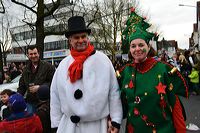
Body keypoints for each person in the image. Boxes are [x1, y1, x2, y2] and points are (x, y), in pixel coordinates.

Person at [118, 8, 188, 133]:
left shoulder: (163, 69)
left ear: (148, 46)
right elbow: (115, 103)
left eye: (141, 45)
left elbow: (175, 106)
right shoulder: (124, 73)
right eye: (133, 46)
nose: (137, 49)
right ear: (129, 49)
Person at [50, 16, 122, 133]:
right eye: (76, 37)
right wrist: (56, 124)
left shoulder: (102, 60)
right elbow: (55, 97)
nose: (80, 40)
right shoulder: (63, 65)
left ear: (87, 38)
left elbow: (113, 92)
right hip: (70, 127)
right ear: (70, 40)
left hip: (97, 126)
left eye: (83, 36)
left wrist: (115, 120)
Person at [17, 45, 55, 113]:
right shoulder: (25, 69)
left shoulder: (48, 67)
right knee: (31, 122)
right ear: (28, 55)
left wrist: (40, 87)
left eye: (35, 53)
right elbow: (22, 86)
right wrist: (17, 97)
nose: (33, 56)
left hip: (45, 102)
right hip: (30, 102)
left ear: (39, 54)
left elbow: (54, 82)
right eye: (31, 54)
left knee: (43, 121)